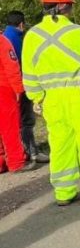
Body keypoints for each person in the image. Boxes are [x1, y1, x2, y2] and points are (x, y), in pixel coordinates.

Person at [21, 0, 80, 203]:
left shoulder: (32, 36)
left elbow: (29, 73)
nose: (70, 9)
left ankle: (63, 192)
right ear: (61, 6)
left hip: (51, 101)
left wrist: (36, 98)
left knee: (59, 144)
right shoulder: (78, 32)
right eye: (68, 5)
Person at [3, 10, 49, 164]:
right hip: (17, 87)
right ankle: (31, 151)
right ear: (21, 24)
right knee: (26, 121)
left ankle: (11, 155)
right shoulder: (15, 39)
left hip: (6, 88)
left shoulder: (5, 37)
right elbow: (17, 66)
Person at [0, 31, 32, 173]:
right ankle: (16, 162)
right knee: (10, 128)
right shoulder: (2, 41)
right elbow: (12, 67)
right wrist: (19, 89)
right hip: (4, 89)